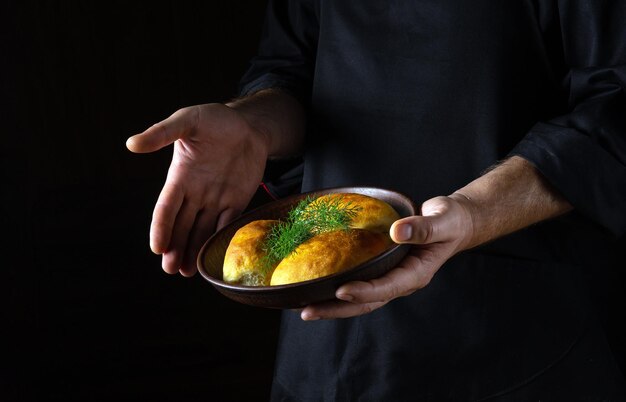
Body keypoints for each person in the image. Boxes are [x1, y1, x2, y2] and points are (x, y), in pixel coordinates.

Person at [127, 1, 626, 400]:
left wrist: (473, 215)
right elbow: (292, 72)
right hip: (323, 341)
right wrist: (252, 126)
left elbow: (613, 107)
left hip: (511, 336)